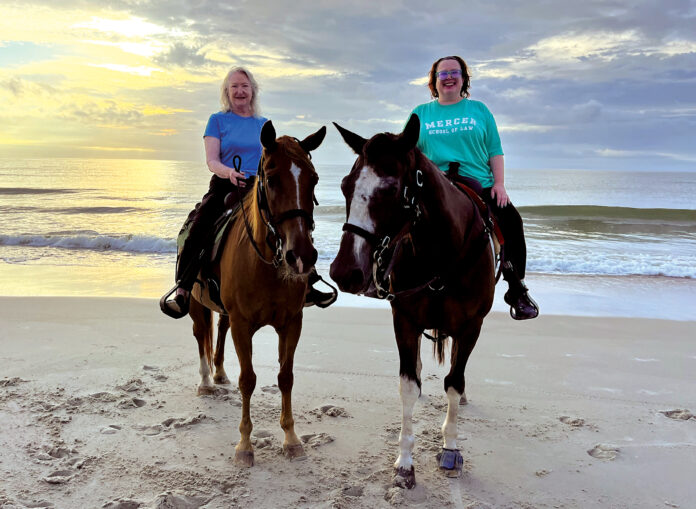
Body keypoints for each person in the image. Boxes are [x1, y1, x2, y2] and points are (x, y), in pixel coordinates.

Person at [161, 66, 335, 318]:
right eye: (234, 87)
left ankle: (309, 281)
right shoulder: (217, 121)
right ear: (226, 92)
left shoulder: (263, 124)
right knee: (199, 225)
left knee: (293, 222)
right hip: (225, 184)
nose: (240, 91)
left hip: (259, 187)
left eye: (244, 86)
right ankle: (183, 289)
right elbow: (212, 161)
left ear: (253, 91)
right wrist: (229, 172)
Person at [409, 55, 539, 320]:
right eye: (442, 74)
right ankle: (379, 277)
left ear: (463, 79)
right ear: (434, 81)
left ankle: (517, 288)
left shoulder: (479, 110)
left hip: (477, 184)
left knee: (512, 222)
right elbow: (408, 151)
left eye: (454, 72)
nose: (448, 78)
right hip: (434, 187)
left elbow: (495, 150)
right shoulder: (421, 113)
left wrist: (500, 185)